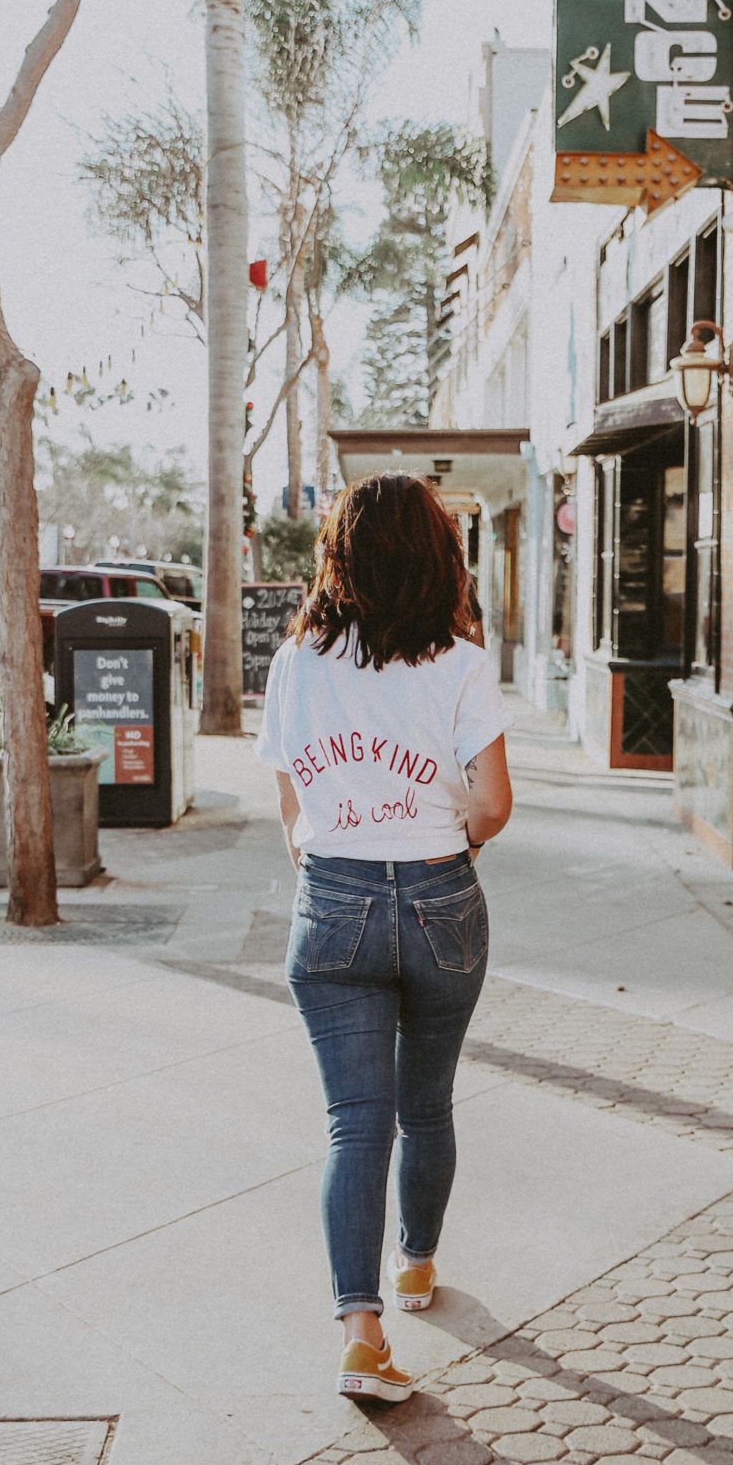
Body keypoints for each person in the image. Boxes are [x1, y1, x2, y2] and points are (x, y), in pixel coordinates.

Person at [258, 475, 513, 1403]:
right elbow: (490, 804)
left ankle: (359, 1332)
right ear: (437, 556)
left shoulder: (297, 662)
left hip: (333, 899)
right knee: (428, 1107)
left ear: (341, 554)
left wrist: (327, 854)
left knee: (353, 1123)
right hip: (440, 899)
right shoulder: (460, 663)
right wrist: (445, 847)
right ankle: (415, 1265)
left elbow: (289, 801)